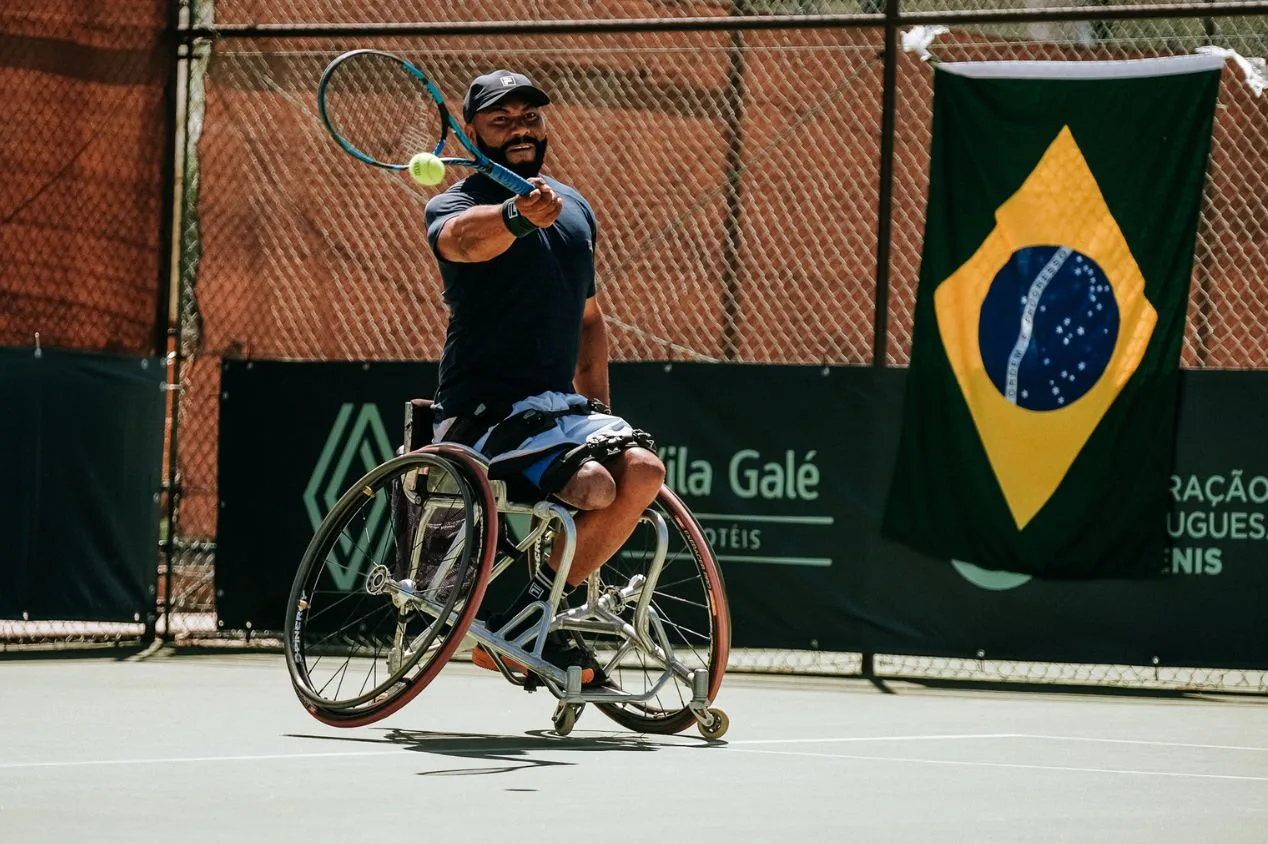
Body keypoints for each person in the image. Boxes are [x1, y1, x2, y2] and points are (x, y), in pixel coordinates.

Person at [423, 69, 665, 686]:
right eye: (501, 120)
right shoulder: (454, 205)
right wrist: (516, 215)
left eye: (529, 117)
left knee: (642, 471)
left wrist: (599, 409)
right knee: (594, 487)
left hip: (562, 413)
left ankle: (525, 615)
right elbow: (464, 243)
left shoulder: (575, 207)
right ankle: (523, 619)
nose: (520, 130)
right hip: (482, 413)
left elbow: (588, 318)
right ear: (471, 132)